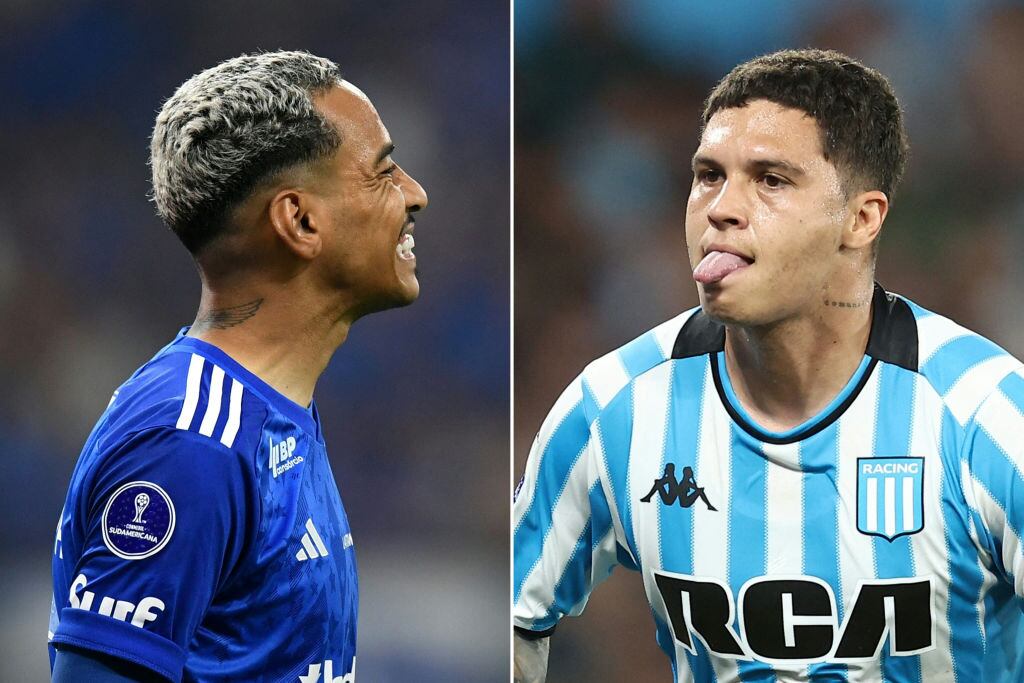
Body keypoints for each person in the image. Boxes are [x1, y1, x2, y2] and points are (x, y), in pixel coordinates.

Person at [513, 48, 1024, 682]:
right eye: (707, 176)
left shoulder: (986, 418)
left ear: (862, 219)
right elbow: (516, 618)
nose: (721, 208)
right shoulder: (613, 406)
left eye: (771, 180)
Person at [48, 50, 427, 682]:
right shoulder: (190, 445)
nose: (415, 193)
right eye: (382, 171)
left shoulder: (266, 408)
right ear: (300, 220)